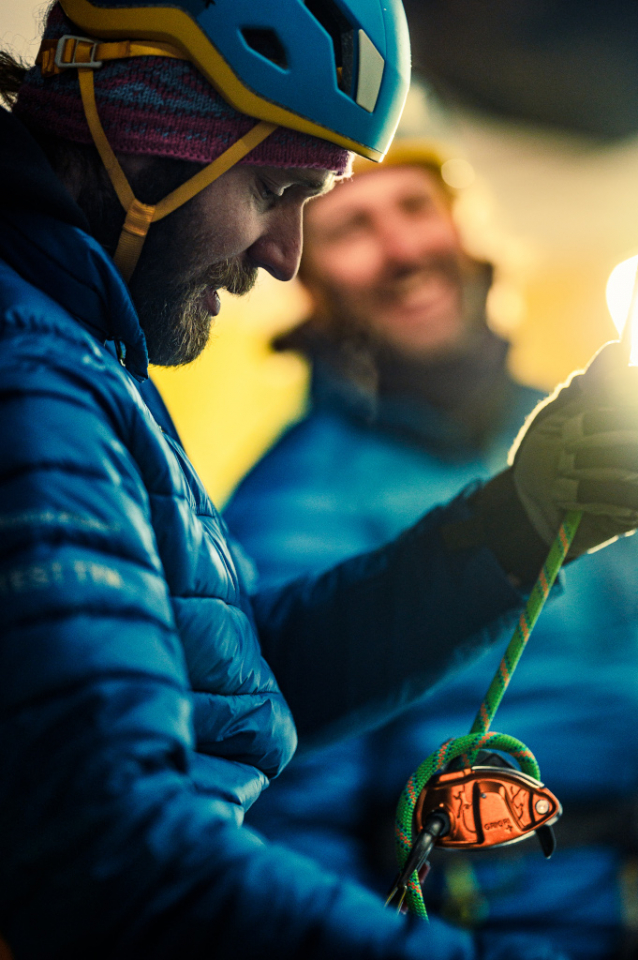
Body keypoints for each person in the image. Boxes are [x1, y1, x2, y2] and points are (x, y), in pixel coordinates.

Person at [1, 2, 638, 957]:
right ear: (152, 142)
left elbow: (244, 683)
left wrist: (525, 516)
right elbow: (108, 844)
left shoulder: (87, 360)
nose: (280, 253)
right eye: (277, 187)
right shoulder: (33, 378)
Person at [224, 143, 638, 960]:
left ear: (465, 233)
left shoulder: (597, 442)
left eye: (415, 209)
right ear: (306, 278)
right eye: (351, 228)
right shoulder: (294, 502)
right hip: (506, 930)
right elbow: (288, 822)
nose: (402, 251)